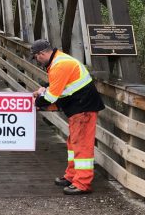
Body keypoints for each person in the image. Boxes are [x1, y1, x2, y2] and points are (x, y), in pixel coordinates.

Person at [30, 39, 104, 195]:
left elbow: (51, 97)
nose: (36, 60)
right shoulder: (58, 61)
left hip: (83, 108)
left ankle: (82, 183)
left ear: (42, 54)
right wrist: (44, 90)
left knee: (82, 145)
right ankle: (72, 176)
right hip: (78, 107)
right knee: (73, 143)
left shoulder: (59, 65)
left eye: (36, 57)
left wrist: (37, 102)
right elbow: (60, 86)